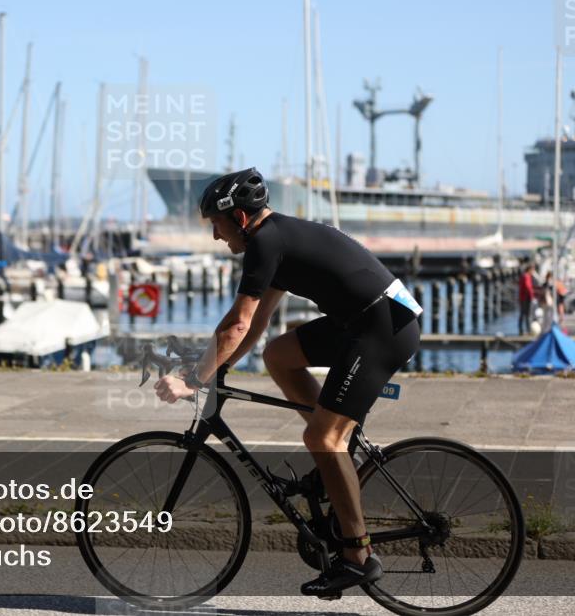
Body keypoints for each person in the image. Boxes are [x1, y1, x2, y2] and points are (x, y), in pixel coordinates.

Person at [154, 168, 421, 597]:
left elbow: (237, 324)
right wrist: (217, 366)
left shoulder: (265, 243)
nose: (216, 236)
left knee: (322, 438)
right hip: (368, 320)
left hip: (381, 329)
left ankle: (356, 557)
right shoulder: (275, 238)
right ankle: (334, 467)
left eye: (217, 225)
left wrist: (193, 379)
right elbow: (256, 325)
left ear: (240, 217)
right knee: (278, 355)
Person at [518, 264, 536, 334]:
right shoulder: (526, 276)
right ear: (530, 270)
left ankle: (522, 330)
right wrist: (532, 296)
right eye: (533, 270)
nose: (533, 272)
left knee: (523, 314)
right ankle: (528, 330)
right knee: (526, 314)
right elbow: (527, 287)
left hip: (523, 298)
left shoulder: (524, 276)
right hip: (525, 298)